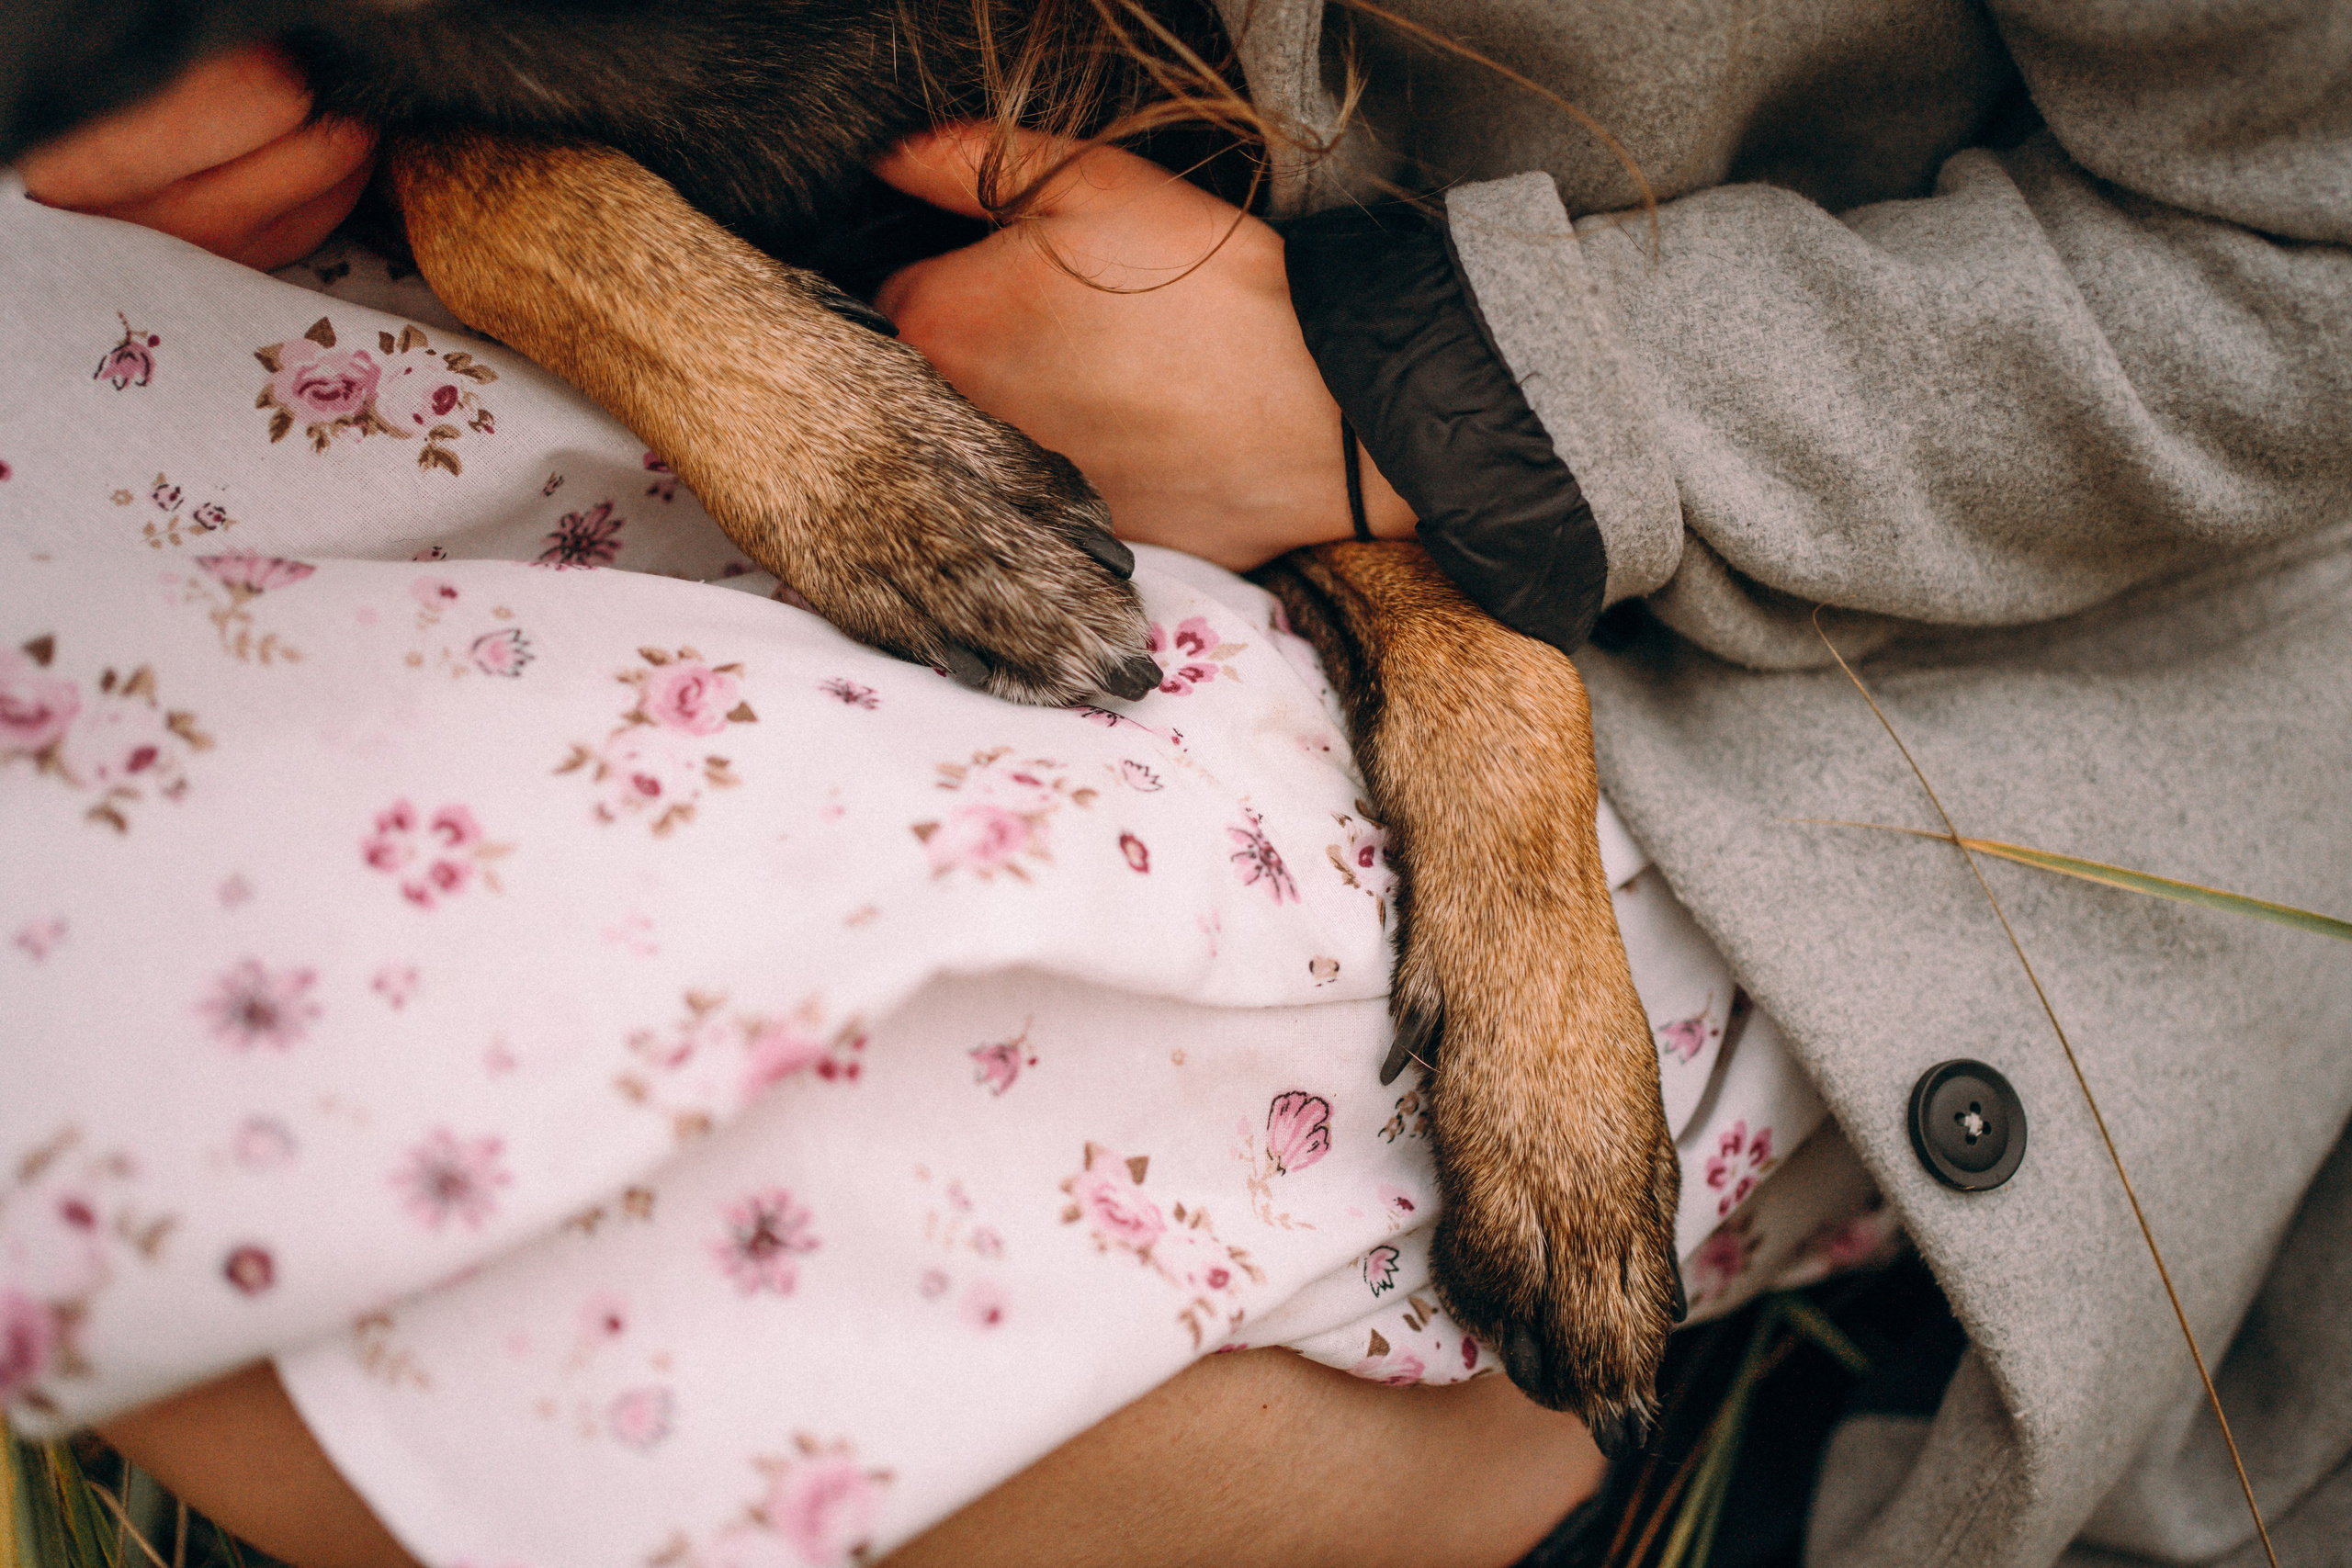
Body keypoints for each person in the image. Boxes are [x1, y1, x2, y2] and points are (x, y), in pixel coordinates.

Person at [12, 1, 2352, 1565]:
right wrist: (278, 94)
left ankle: (1501, 1449)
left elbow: (2302, 252)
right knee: (131, 1081)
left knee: (357, 1295)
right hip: (939, 373)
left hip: (1832, 645)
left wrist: (1404, 398)